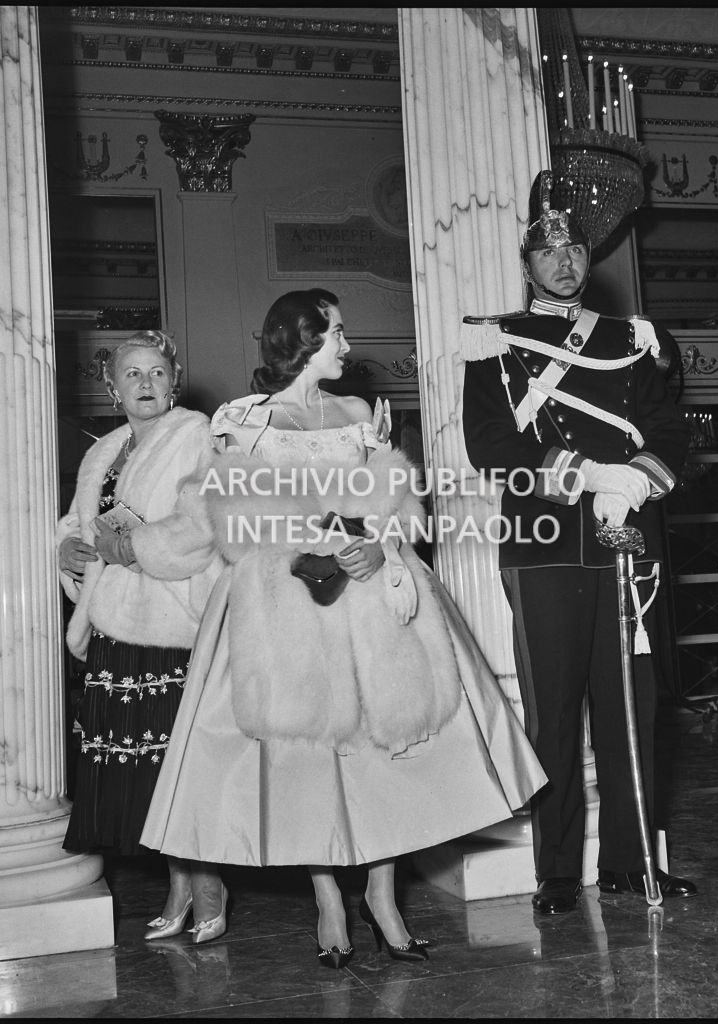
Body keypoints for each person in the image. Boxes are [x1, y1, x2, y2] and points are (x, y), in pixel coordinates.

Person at [141, 288, 547, 968]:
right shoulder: (242, 420)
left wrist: (377, 543)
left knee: (383, 757)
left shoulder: (359, 413)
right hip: (285, 604)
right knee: (304, 764)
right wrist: (308, 547)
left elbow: (397, 504)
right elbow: (231, 520)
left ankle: (383, 899)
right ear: (301, 340)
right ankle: (328, 899)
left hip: (368, 601)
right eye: (336, 334)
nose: (348, 347)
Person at [460, 170, 699, 915]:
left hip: (626, 539)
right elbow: (489, 442)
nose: (563, 261)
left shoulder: (631, 342)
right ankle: (558, 871)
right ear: (527, 263)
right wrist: (581, 474)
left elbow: (666, 429)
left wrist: (630, 481)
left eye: (574, 249)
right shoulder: (493, 343)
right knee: (554, 711)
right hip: (547, 543)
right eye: (547, 250)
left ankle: (630, 864)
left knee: (635, 706)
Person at [57, 330, 225, 942]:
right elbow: (82, 524)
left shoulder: (199, 434)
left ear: (174, 377)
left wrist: (129, 546)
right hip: (114, 625)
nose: (146, 383)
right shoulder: (103, 449)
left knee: (181, 763)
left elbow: (201, 526)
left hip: (173, 622)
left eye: (156, 371)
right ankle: (175, 884)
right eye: (132, 374)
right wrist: (70, 549)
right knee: (143, 770)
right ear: (111, 386)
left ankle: (206, 883)